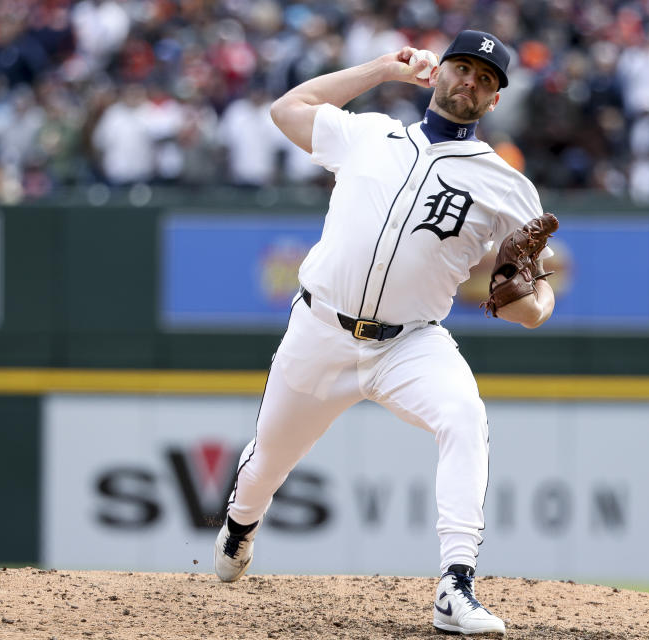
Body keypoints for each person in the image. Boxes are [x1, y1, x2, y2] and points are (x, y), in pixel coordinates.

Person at [213, 30, 556, 636]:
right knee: (267, 462)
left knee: (464, 417)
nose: (469, 82)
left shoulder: (507, 186)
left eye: (485, 79)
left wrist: (539, 298)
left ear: (495, 100)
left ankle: (456, 584)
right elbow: (285, 110)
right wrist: (380, 69)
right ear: (439, 72)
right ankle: (242, 524)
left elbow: (531, 304)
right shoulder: (370, 133)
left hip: (410, 342)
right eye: (462, 68)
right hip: (320, 329)